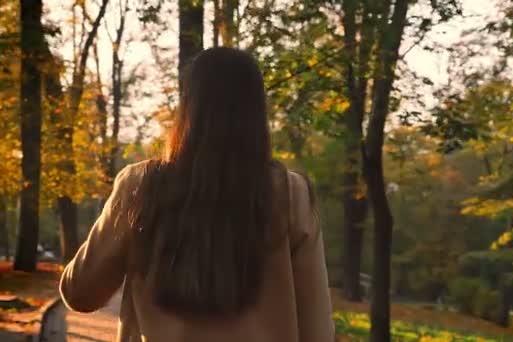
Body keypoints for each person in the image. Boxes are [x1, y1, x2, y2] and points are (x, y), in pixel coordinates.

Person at [59, 47, 334, 342]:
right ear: (256, 112)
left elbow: (80, 293)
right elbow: (317, 328)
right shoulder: (291, 195)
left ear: (187, 108)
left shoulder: (141, 186)